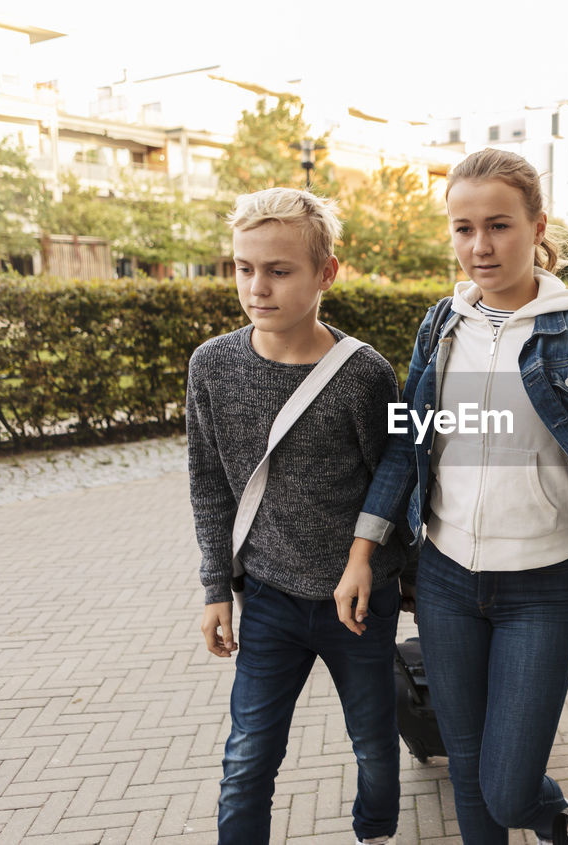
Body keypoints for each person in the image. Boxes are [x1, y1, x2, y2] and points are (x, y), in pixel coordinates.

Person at [345, 148, 568, 845]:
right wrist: (361, 550)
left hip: (540, 587)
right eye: (463, 228)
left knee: (505, 786)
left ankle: (562, 819)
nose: (479, 245)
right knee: (468, 772)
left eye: (498, 225)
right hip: (443, 582)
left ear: (537, 225)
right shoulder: (440, 327)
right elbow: (408, 448)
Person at [188, 187, 407, 845]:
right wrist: (214, 590)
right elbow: (209, 485)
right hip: (270, 597)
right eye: (243, 267)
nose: (258, 286)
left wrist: (363, 559)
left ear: (325, 273)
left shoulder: (366, 374)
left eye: (279, 270)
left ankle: (376, 832)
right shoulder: (211, 366)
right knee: (248, 753)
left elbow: (396, 472)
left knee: (373, 740)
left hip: (358, 601)